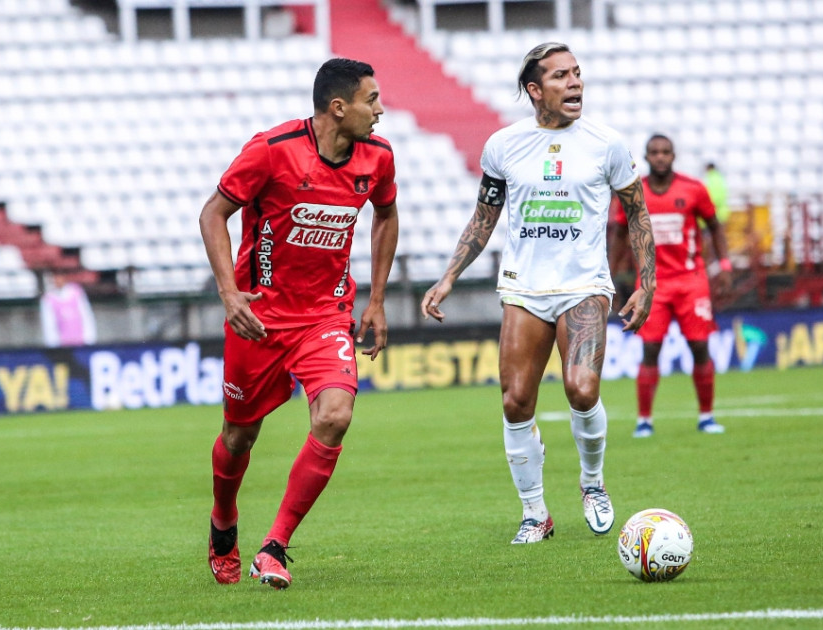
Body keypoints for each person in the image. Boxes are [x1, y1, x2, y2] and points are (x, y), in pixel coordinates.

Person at [420, 43, 656, 544]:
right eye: (560, 77)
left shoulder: (606, 143)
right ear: (534, 90)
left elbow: (637, 211)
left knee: (582, 389)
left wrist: (646, 282)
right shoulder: (504, 146)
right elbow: (485, 217)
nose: (575, 84)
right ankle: (535, 514)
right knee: (515, 402)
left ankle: (592, 484)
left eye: (577, 74)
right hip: (525, 287)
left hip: (584, 284)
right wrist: (448, 277)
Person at [199, 58, 399, 589]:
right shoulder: (271, 150)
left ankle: (275, 546)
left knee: (335, 416)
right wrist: (229, 294)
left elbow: (386, 213)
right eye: (371, 100)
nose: (380, 111)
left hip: (325, 316)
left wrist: (376, 299)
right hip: (259, 319)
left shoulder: (378, 158)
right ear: (340, 108)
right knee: (239, 437)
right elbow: (212, 213)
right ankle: (223, 520)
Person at [609, 134, 731, 438]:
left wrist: (724, 264)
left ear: (673, 156)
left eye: (666, 152)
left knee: (699, 346)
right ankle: (644, 421)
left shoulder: (693, 189)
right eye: (654, 152)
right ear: (646, 157)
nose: (660, 157)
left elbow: (715, 227)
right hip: (651, 285)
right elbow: (621, 234)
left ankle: (706, 416)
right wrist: (609, 275)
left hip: (691, 280)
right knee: (651, 349)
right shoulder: (633, 192)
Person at [39, 272, 97, 347]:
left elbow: (86, 316)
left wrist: (89, 338)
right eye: (55, 278)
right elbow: (49, 324)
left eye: (59, 277)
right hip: (62, 345)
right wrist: (54, 345)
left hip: (82, 341)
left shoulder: (77, 292)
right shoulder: (48, 299)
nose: (57, 280)